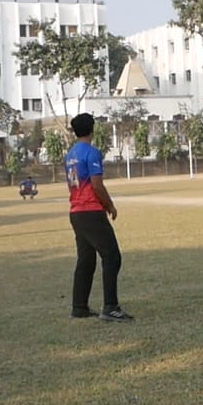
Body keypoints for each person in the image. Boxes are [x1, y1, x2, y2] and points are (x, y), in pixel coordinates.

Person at [65, 113, 133, 322]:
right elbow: (96, 185)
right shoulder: (92, 153)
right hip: (91, 210)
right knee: (112, 256)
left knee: (86, 260)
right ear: (92, 129)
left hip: (76, 211)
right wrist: (109, 205)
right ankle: (110, 306)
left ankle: (79, 307)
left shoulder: (70, 154)